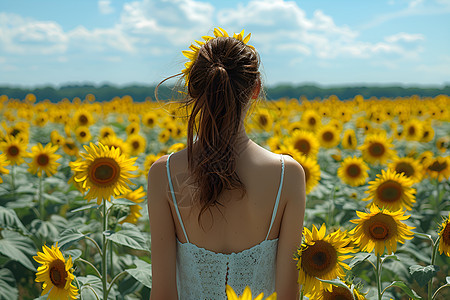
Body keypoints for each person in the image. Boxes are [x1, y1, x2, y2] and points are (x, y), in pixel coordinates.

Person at [147, 28, 306, 300]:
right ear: (255, 89)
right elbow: (288, 294)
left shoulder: (164, 173)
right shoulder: (287, 175)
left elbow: (162, 293)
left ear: (193, 89)